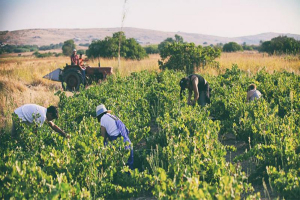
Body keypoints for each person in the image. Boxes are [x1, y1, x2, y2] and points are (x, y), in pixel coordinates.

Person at [96, 104, 133, 170]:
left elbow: (102, 137)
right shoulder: (113, 117)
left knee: (120, 169)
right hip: (128, 143)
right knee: (129, 168)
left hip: (119, 145)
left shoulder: (103, 119)